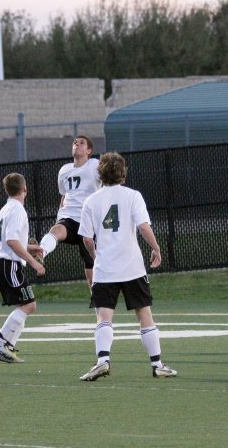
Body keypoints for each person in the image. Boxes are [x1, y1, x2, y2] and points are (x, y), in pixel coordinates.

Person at [77, 152, 177, 381]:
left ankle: (103, 361)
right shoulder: (133, 196)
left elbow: (86, 239)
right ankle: (158, 364)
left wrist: (96, 255)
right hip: (132, 266)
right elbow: (143, 226)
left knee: (103, 317)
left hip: (105, 268)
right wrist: (156, 248)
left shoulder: (91, 201)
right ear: (123, 172)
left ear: (100, 173)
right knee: (144, 314)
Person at [0, 173, 46, 364]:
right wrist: (34, 262)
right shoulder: (17, 210)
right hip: (9, 265)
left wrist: (29, 247)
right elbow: (11, 242)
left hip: (5, 264)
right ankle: (0, 341)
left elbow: (1, 240)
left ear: (6, 190)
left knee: (28, 305)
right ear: (24, 189)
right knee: (29, 305)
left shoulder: (5, 209)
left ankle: (6, 348)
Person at [37, 135, 101, 289]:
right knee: (56, 230)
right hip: (70, 218)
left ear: (89, 151)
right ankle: (41, 253)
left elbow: (108, 181)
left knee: (90, 262)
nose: (77, 145)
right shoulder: (64, 170)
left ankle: (97, 296)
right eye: (75, 143)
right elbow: (64, 195)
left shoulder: (95, 165)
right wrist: (60, 214)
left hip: (89, 220)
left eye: (81, 143)